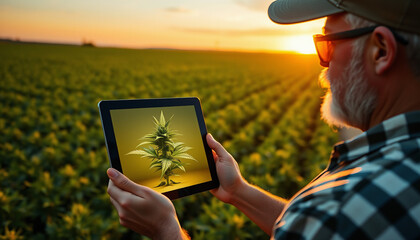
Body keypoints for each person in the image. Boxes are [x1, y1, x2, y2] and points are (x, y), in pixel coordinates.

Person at [106, 0, 420, 239]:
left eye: (327, 45)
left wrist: (166, 230)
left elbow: (328, 223)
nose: (323, 68)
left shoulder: (339, 209)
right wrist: (238, 191)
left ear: (380, 51)